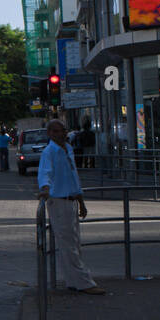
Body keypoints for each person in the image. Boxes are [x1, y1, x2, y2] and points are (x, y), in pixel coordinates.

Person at [37, 119, 104, 295]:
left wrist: (81, 202)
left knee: (74, 243)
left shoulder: (68, 148)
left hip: (71, 200)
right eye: (57, 131)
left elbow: (74, 176)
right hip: (58, 202)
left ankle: (73, 281)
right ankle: (84, 282)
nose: (61, 134)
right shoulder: (49, 152)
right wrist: (44, 189)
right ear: (50, 133)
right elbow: (45, 173)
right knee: (68, 245)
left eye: (63, 130)